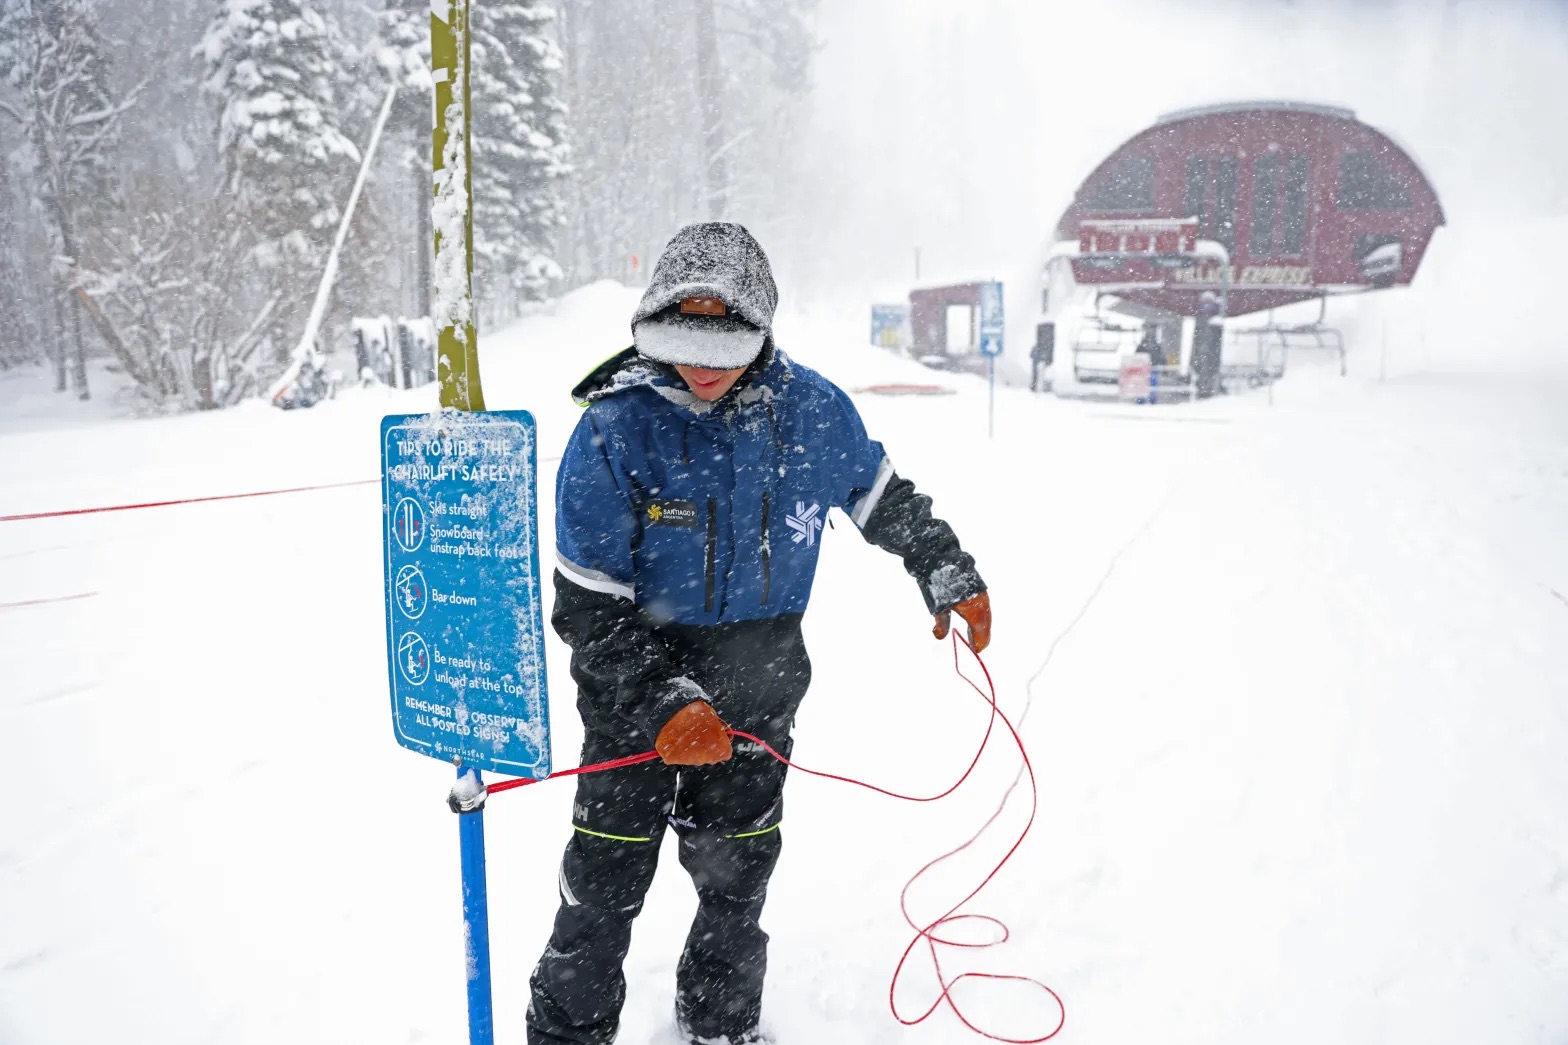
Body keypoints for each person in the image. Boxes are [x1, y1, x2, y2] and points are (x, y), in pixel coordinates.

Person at [528, 223, 991, 1045]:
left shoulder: (815, 413)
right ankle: (569, 1033)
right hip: (633, 704)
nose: (701, 366)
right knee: (602, 884)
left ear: (764, 330)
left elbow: (883, 498)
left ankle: (720, 1021)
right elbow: (588, 607)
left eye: (725, 344)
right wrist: (663, 700)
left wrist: (942, 565)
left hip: (760, 690)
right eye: (679, 342)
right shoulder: (613, 432)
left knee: (737, 881)